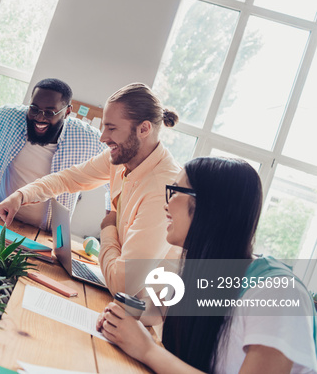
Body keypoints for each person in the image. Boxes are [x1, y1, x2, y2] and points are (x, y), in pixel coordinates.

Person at [97, 157, 317, 374]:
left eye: (175, 192)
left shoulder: (277, 293)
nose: (166, 203)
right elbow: (155, 309)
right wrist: (121, 315)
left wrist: (147, 350)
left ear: (210, 207)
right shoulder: (205, 272)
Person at [0, 83, 182, 300]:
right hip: (120, 293)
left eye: (112, 128)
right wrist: (21, 196)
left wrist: (108, 227)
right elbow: (68, 178)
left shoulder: (163, 189)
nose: (103, 138)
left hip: (146, 310)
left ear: (144, 129)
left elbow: (123, 284)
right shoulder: (122, 158)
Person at [0, 78, 107, 231]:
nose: (40, 117)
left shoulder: (89, 138)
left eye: (49, 112)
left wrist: (111, 223)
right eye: (34, 109)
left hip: (43, 233)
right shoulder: (8, 117)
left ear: (67, 112)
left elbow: (116, 177)